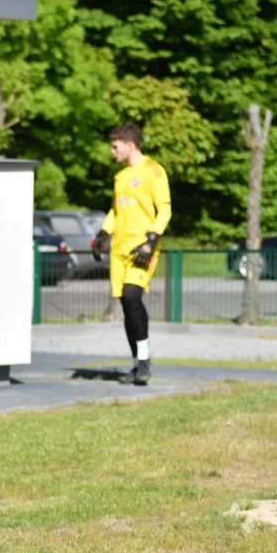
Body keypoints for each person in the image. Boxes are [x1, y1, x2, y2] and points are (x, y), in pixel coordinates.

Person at [91, 123, 171, 385]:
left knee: (132, 295)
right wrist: (103, 233)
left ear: (130, 145)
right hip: (120, 250)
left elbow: (165, 209)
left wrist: (150, 241)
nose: (112, 151)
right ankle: (138, 364)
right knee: (127, 305)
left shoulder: (153, 170)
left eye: (115, 146)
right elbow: (116, 210)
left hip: (141, 249)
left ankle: (145, 361)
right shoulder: (121, 177)